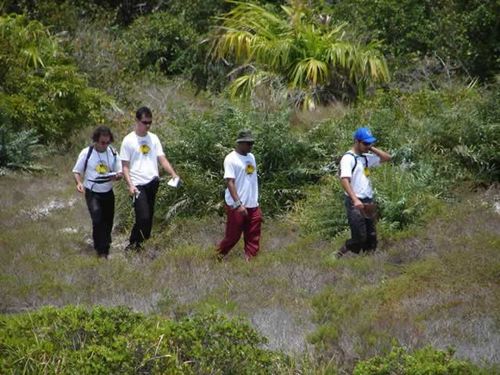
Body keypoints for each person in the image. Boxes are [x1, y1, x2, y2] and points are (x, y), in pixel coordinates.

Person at [120, 106, 179, 250]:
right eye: (144, 122)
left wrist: (173, 173)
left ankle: (141, 245)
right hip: (137, 183)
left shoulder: (153, 138)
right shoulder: (128, 140)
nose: (147, 125)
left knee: (149, 218)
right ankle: (133, 243)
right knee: (143, 216)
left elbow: (162, 158)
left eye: (149, 123)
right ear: (137, 121)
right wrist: (130, 185)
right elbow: (125, 166)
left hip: (152, 181)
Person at [336, 127, 391, 257]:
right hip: (355, 202)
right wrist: (355, 200)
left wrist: (371, 148)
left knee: (372, 238)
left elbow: (387, 158)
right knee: (360, 237)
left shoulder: (365, 158)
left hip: (368, 201)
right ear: (357, 141)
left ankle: (367, 264)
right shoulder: (348, 158)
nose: (368, 146)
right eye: (365, 143)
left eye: (370, 143)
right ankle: (340, 253)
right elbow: (344, 180)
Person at [73, 126, 122, 258]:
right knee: (97, 219)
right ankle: (102, 251)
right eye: (102, 142)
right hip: (92, 191)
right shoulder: (87, 153)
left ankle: (103, 244)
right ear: (96, 140)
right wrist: (79, 183)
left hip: (108, 191)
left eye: (107, 142)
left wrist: (117, 176)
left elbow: (120, 171)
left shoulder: (113, 152)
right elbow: (77, 171)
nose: (105, 145)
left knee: (108, 221)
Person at [216, 130, 262, 261]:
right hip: (237, 205)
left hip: (253, 204)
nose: (250, 146)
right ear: (240, 143)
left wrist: (254, 202)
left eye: (252, 143)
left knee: (253, 236)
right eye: (248, 143)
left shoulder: (251, 157)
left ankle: (250, 261)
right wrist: (238, 204)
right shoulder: (231, 159)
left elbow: (250, 178)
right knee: (233, 236)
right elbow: (230, 182)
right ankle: (218, 256)